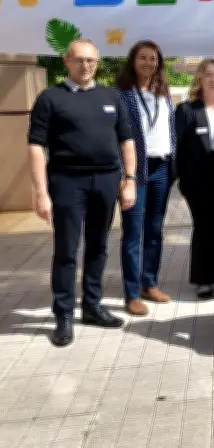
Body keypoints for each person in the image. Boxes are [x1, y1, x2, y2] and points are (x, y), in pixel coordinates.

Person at [28, 39, 136, 347]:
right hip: (67, 181)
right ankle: (63, 314)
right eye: (79, 60)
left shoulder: (112, 96)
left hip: (106, 180)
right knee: (67, 249)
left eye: (91, 60)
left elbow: (127, 141)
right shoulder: (50, 98)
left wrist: (130, 180)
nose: (85, 65)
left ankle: (92, 306)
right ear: (67, 61)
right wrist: (41, 193)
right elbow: (36, 147)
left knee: (98, 246)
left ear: (98, 62)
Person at [117, 40, 176, 316]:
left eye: (153, 58)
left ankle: (149, 283)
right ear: (133, 60)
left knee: (154, 229)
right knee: (133, 232)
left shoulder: (162, 93)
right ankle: (131, 293)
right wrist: (124, 175)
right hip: (135, 169)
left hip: (162, 167)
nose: (148, 63)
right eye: (143, 57)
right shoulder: (122, 94)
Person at [175, 59, 214, 299]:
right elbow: (178, 148)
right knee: (204, 226)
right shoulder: (187, 110)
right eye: (208, 74)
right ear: (199, 78)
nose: (213, 79)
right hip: (198, 177)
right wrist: (182, 180)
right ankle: (204, 278)